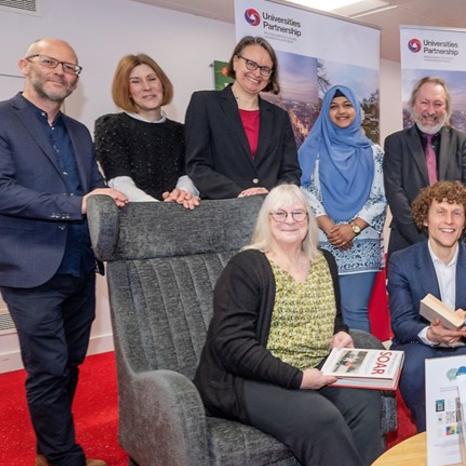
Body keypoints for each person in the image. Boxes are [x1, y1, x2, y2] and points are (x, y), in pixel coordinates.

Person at [193, 185, 383, 466]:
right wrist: (296, 379)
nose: (290, 220)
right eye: (279, 213)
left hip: (314, 365)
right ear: (266, 219)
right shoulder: (248, 265)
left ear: (309, 219)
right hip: (246, 377)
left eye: (298, 213)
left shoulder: (323, 260)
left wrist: (339, 333)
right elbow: (230, 345)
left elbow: (334, 317)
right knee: (320, 417)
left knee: (365, 398)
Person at [0, 38, 128, 466]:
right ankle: (66, 463)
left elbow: (91, 185)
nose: (60, 72)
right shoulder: (2, 119)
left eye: (69, 67)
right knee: (48, 367)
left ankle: (48, 452)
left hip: (79, 263)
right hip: (28, 266)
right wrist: (75, 204)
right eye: (49, 62)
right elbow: (2, 190)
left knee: (70, 361)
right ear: (25, 65)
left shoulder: (77, 130)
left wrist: (111, 196)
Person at [387, 182, 466, 432]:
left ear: (465, 221)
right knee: (417, 369)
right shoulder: (402, 262)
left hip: (465, 344)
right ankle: (429, 436)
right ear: (425, 219)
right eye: (440, 212)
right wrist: (430, 334)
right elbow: (401, 323)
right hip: (419, 345)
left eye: (457, 213)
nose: (449, 221)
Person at [299, 85, 386, 332]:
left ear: (356, 110)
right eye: (333, 106)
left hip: (362, 241)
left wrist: (353, 228)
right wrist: (329, 226)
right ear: (325, 112)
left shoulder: (373, 152)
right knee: (325, 314)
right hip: (324, 240)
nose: (341, 111)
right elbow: (306, 190)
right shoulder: (312, 150)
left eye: (347, 105)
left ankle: (360, 370)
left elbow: (380, 197)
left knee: (355, 311)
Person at [184, 36, 300, 199]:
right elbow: (197, 166)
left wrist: (272, 195)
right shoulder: (204, 103)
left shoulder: (279, 117)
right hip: (225, 209)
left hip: (270, 210)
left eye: (265, 69)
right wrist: (239, 194)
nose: (257, 73)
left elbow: (291, 171)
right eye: (251, 64)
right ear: (235, 61)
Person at [383, 76, 466, 252]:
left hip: (455, 238)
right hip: (408, 241)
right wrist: (423, 240)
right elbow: (395, 193)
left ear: (447, 108)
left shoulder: (461, 142)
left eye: (438, 104)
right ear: (413, 105)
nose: (431, 111)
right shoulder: (395, 143)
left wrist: (449, 233)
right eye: (425, 102)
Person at [95, 53, 199, 208]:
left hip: (180, 215)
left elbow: (190, 175)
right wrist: (159, 210)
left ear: (162, 83)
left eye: (152, 79)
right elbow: (119, 182)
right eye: (136, 81)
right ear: (127, 90)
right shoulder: (110, 125)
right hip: (136, 220)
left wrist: (182, 195)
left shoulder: (181, 131)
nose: (147, 87)